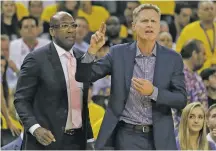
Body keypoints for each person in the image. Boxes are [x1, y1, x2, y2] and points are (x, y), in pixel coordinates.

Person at [75, 4, 187, 150]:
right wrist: (92, 51)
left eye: (154, 21)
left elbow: (181, 99)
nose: (149, 25)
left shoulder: (173, 58)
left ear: (159, 26)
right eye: (144, 21)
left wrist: (153, 92)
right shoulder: (117, 53)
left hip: (160, 136)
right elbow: (84, 76)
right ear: (133, 26)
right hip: (127, 135)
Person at [14, 11, 96, 150]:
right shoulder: (36, 59)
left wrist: (89, 139)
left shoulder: (82, 58)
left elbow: (81, 104)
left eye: (73, 25)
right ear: (52, 31)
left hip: (77, 142)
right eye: (64, 25)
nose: (71, 30)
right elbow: (21, 100)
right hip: (45, 142)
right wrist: (35, 128)